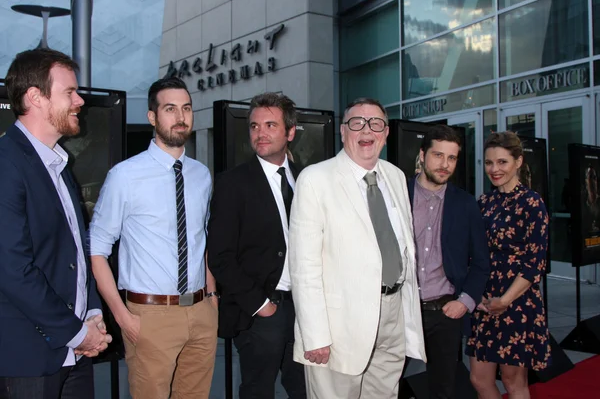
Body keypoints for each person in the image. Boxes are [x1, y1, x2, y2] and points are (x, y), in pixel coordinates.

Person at [289, 97, 426, 399]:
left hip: (393, 314)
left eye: (375, 123)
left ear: (386, 133)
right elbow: (303, 266)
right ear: (342, 131)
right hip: (339, 326)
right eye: (357, 123)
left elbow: (403, 246)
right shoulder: (315, 180)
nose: (366, 130)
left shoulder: (396, 176)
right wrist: (315, 335)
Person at [89, 77, 218, 398]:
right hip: (149, 316)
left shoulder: (201, 174)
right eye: (170, 108)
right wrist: (123, 317)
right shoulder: (125, 175)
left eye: (186, 108)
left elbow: (201, 237)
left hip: (201, 311)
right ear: (152, 117)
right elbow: (96, 251)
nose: (181, 117)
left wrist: (212, 298)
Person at [0, 48, 112, 398]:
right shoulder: (6, 165)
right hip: (29, 360)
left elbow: (77, 251)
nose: (80, 100)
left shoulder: (59, 165)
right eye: (69, 92)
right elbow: (13, 270)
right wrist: (78, 334)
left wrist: (92, 313)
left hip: (74, 353)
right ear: (35, 97)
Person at [207, 92, 306, 399]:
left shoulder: (306, 179)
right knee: (257, 392)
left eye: (270, 125)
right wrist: (262, 307)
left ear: (289, 132)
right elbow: (220, 256)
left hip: (306, 310)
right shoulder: (232, 183)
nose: (260, 133)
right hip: (261, 311)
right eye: (253, 126)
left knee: (306, 390)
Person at [407, 124, 489, 399]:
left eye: (451, 158)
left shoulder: (465, 204)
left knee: (442, 390)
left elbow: (480, 261)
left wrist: (465, 302)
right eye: (438, 155)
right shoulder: (396, 195)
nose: (444, 164)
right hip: (400, 310)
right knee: (384, 386)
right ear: (422, 155)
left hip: (444, 312)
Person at [467, 131, 551, 399]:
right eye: (489, 163)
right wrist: (477, 294)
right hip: (485, 300)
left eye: (502, 162)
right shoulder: (484, 203)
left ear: (518, 162)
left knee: (514, 381)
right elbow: (472, 253)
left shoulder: (532, 203)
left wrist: (505, 299)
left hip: (517, 302)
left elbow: (534, 262)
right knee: (479, 379)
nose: (495, 169)